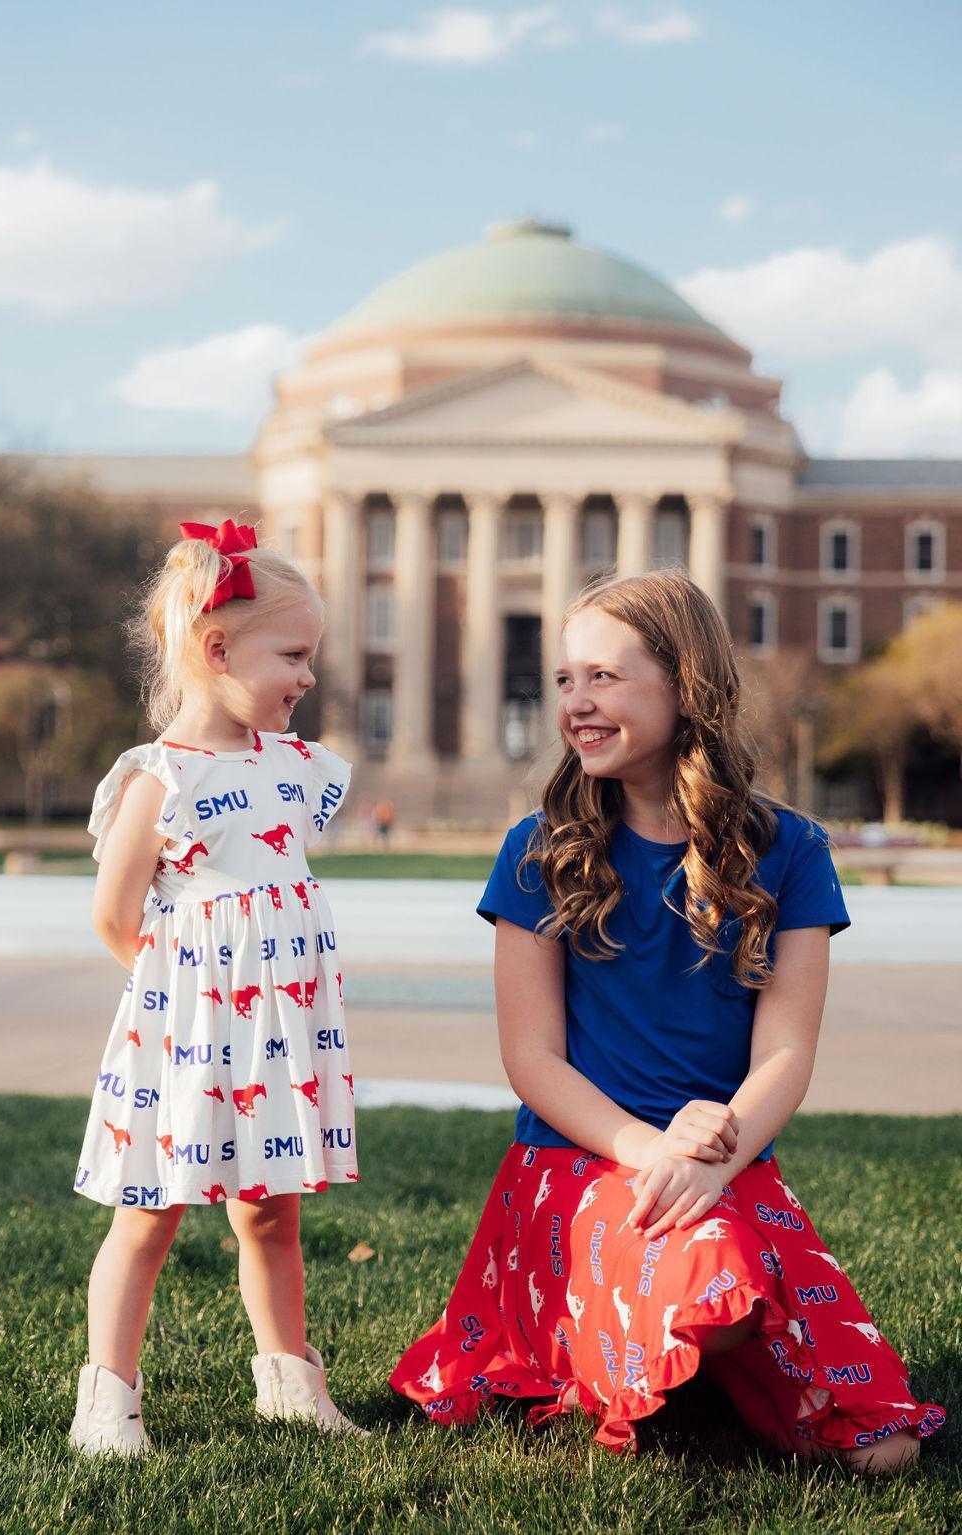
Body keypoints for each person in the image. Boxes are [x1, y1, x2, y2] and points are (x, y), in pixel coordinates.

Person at [389, 569, 946, 1472]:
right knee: (714, 1277)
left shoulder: (792, 850)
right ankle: (649, 1341)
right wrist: (657, 1152)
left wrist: (713, 1148)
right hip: (584, 1163)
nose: (576, 701)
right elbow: (531, 1059)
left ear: (687, 687)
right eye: (567, 679)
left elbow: (789, 1051)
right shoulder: (537, 850)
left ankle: (692, 1351)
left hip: (728, 1159)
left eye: (605, 676)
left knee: (886, 1450)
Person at [69, 518, 366, 1457]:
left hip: (277, 1039)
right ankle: (107, 1398)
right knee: (147, 1216)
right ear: (215, 647)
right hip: (186, 1035)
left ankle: (288, 1381)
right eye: (294, 653)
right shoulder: (161, 779)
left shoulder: (295, 766)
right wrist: (185, 997)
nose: (308, 675)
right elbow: (116, 916)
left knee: (272, 1213)